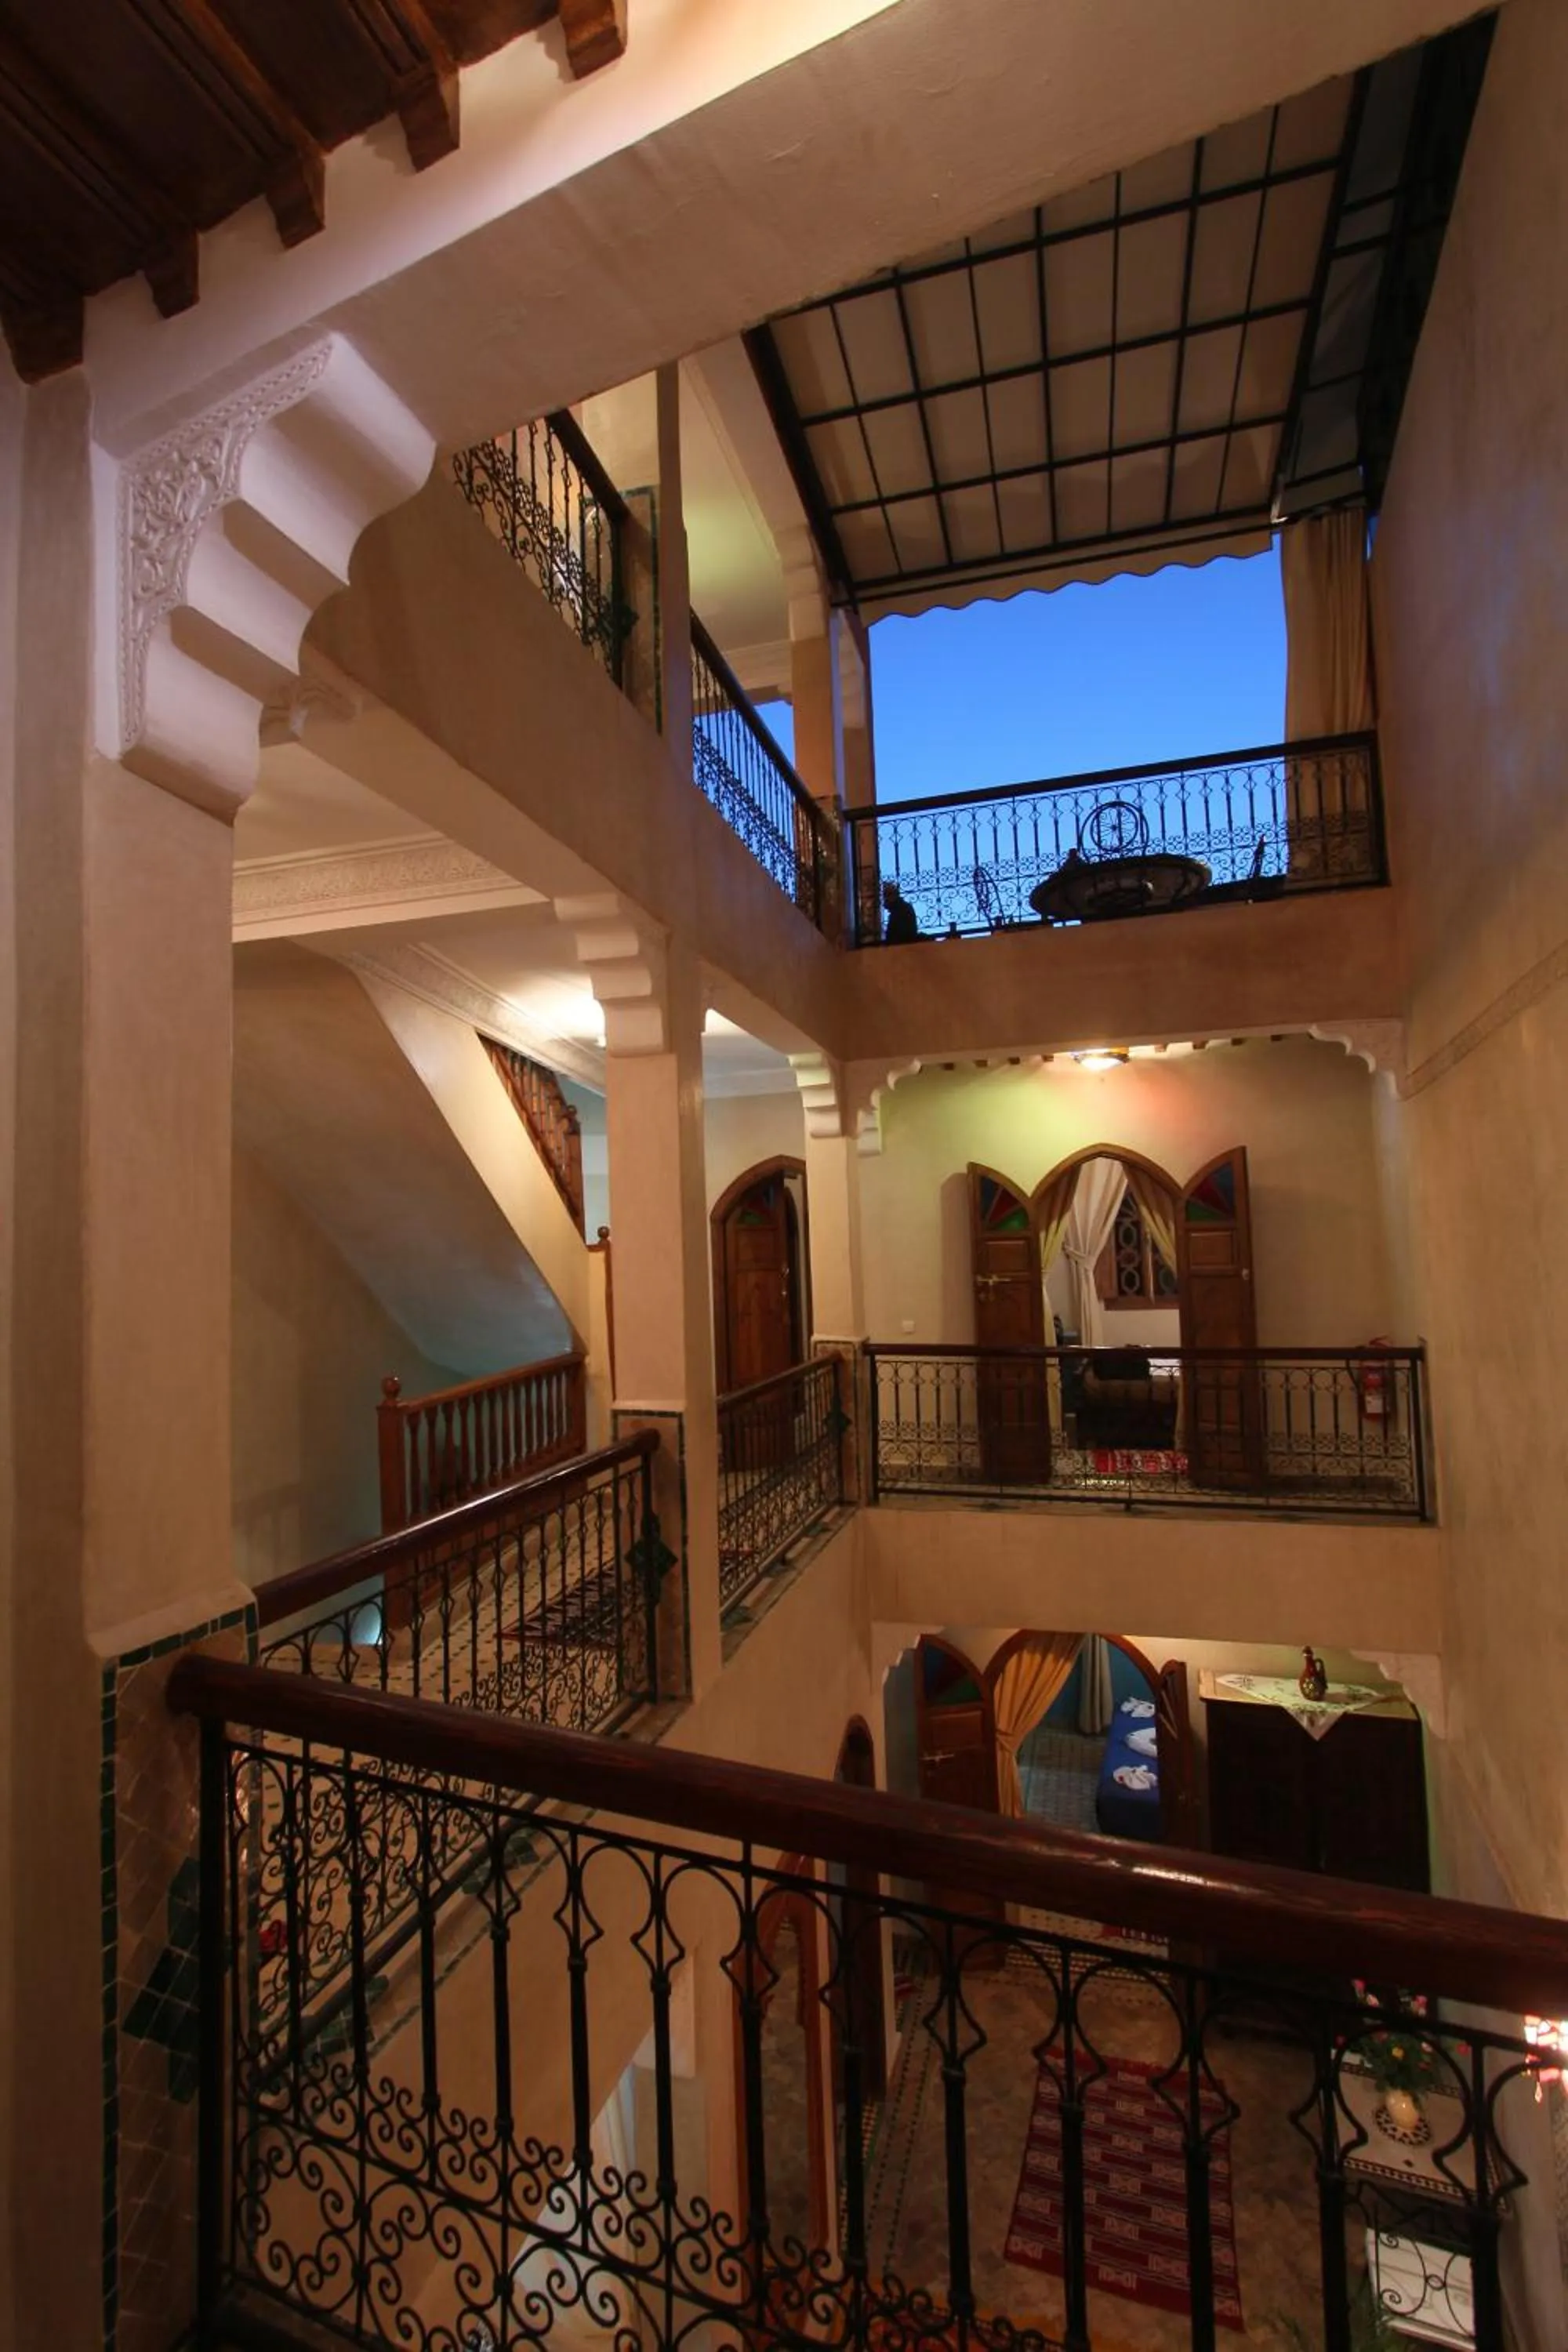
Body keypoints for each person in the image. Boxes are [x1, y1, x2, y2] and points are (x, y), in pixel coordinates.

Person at [880, 880, 920, 944]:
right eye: (885, 895)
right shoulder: (900, 909)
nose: (885, 898)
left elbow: (901, 934)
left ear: (895, 895)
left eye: (888, 895)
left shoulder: (901, 909)